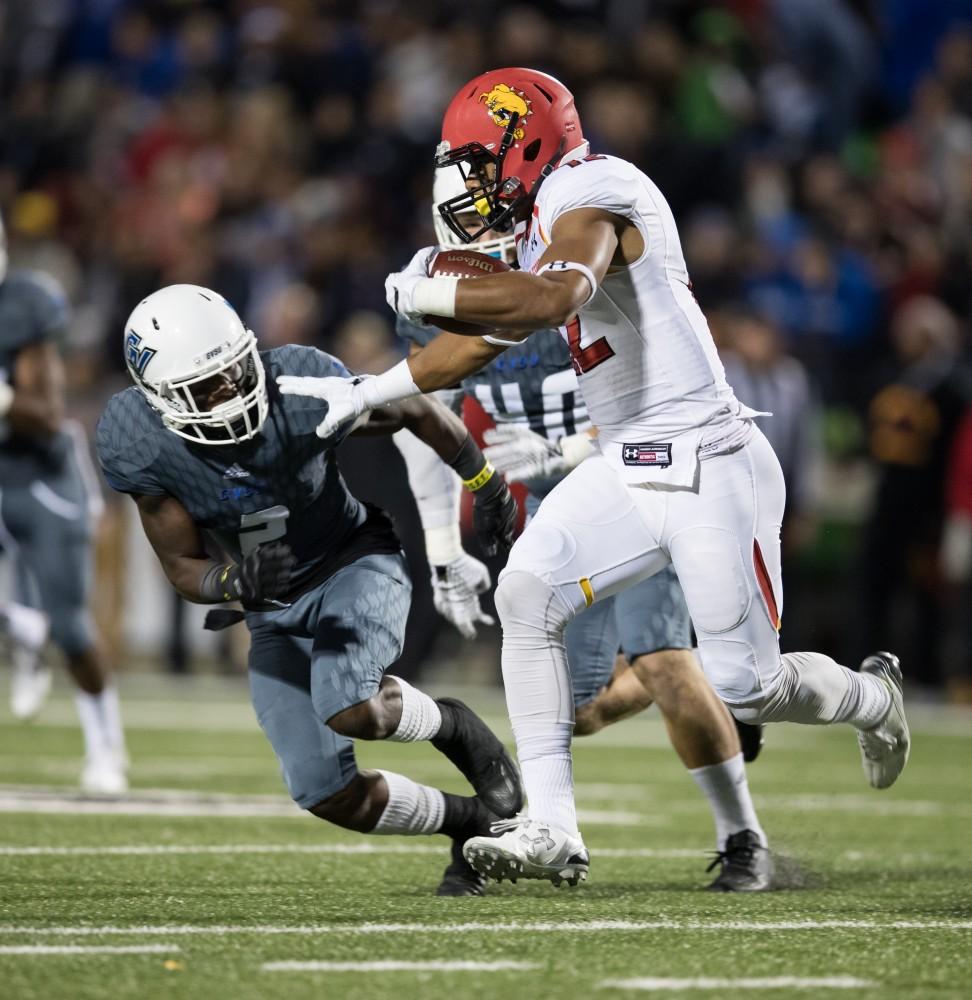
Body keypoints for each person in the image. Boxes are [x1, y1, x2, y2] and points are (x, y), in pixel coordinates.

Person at [279, 68, 909, 889]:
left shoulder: (593, 188)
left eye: (478, 160)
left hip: (709, 459)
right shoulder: (543, 218)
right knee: (527, 596)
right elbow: (475, 349)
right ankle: (551, 826)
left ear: (524, 144)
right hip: (628, 462)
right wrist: (370, 391)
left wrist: (430, 287)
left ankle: (871, 698)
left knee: (742, 685)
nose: (469, 183)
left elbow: (555, 297)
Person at [390, 168, 770, 891]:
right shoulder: (449, 295)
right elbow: (420, 416)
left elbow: (647, 392)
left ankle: (741, 833)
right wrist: (443, 550)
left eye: (487, 212)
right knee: (577, 709)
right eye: (463, 218)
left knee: (663, 660)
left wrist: (568, 450)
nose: (480, 231)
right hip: (559, 518)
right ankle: (538, 822)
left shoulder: (571, 272)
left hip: (644, 480)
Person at [96, 284, 522, 896]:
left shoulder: (297, 386)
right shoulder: (140, 443)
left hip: (352, 561)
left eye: (236, 370)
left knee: (350, 707)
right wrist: (230, 581)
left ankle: (456, 727)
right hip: (271, 606)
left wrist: (484, 483)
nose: (233, 392)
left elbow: (415, 409)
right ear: (160, 399)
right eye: (207, 387)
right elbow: (182, 564)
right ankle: (473, 823)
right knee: (325, 793)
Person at [0, 216, 127, 794]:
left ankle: (107, 749)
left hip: (44, 478)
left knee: (73, 628)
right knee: (33, 616)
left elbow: (45, 415)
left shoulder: (25, 306)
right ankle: (20, 625)